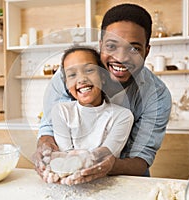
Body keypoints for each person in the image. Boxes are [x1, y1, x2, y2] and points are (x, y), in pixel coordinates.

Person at [33, 3, 172, 185]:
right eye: (112, 46)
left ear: (147, 50)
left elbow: (141, 159)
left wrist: (108, 164)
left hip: (127, 183)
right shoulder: (68, 76)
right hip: (69, 183)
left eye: (134, 49)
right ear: (100, 46)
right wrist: (45, 148)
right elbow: (49, 130)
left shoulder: (157, 96)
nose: (121, 58)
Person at [43, 46, 134, 184]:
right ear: (66, 84)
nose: (81, 79)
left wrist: (75, 161)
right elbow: (66, 157)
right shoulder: (61, 111)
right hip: (69, 185)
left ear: (103, 76)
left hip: (107, 185)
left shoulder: (122, 116)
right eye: (72, 75)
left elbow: (106, 154)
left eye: (89, 70)